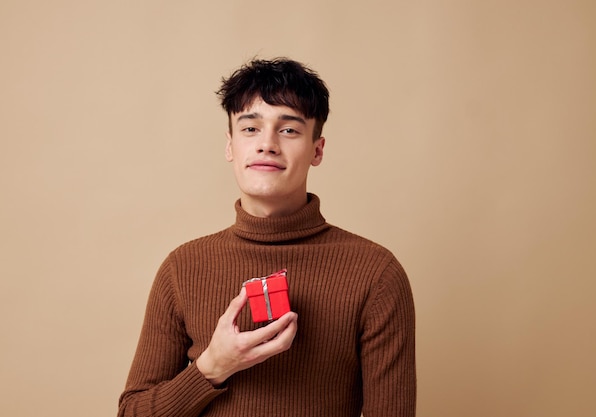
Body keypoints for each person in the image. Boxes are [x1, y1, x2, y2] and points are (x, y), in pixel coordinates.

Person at [118, 58, 416, 417]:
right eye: (250, 129)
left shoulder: (376, 273)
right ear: (230, 146)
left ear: (317, 149)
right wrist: (212, 367)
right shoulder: (182, 267)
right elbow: (131, 412)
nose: (267, 144)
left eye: (288, 130)